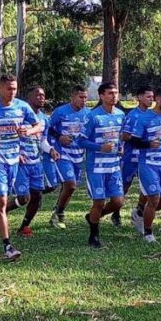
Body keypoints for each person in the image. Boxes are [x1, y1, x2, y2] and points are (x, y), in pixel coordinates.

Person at [0, 75, 40, 261]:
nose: (12, 92)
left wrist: (28, 131)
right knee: (2, 200)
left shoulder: (22, 107)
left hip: (14, 158)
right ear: (0, 89)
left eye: (14, 88)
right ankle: (8, 247)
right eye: (9, 88)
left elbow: (38, 125)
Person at [6, 87, 60, 237]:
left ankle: (24, 227)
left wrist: (50, 150)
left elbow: (42, 141)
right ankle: (0, 211)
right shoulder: (18, 113)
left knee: (37, 195)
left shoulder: (44, 119)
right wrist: (15, 153)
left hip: (36, 162)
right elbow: (7, 135)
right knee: (24, 198)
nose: (41, 98)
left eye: (43, 95)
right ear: (29, 97)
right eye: (37, 95)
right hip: (20, 162)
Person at [79, 82, 125, 248]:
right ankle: (94, 236)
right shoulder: (93, 117)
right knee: (98, 202)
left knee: (118, 202)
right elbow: (80, 141)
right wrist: (100, 147)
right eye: (110, 93)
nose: (114, 96)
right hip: (96, 167)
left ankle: (92, 217)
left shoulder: (120, 115)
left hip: (113, 166)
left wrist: (120, 148)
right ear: (101, 96)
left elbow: (119, 137)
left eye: (116, 92)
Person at [129, 86, 161, 242]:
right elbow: (134, 141)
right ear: (158, 99)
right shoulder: (143, 118)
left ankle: (140, 214)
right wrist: (149, 144)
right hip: (148, 164)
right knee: (154, 198)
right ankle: (148, 233)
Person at [48, 85, 90, 230]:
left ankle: (58, 212)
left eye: (85, 97)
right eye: (80, 97)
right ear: (72, 97)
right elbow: (48, 127)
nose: (83, 100)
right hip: (63, 153)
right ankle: (59, 212)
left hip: (79, 155)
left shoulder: (88, 114)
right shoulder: (60, 112)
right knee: (70, 184)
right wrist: (59, 137)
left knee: (70, 187)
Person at [119, 86, 154, 229]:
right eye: (148, 97)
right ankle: (116, 212)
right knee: (125, 186)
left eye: (152, 97)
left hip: (145, 157)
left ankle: (139, 210)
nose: (151, 99)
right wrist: (140, 138)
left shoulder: (153, 115)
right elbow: (125, 135)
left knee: (147, 185)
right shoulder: (133, 115)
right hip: (130, 157)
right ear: (139, 97)